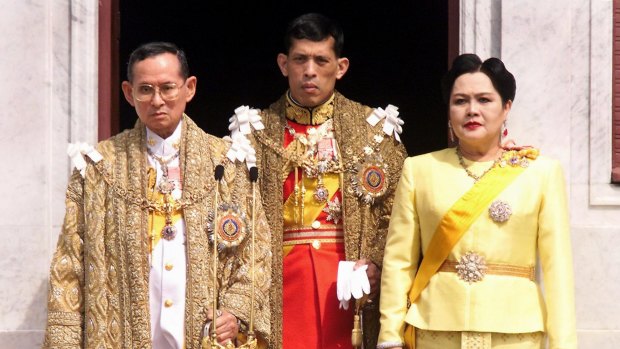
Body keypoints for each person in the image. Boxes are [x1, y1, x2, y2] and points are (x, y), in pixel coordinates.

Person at [42, 42, 271, 348]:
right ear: (128, 92)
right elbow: (69, 266)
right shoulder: (99, 166)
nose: (157, 100)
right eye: (146, 89)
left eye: (168, 88)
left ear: (189, 88)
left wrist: (235, 312)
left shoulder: (228, 162)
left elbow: (257, 249)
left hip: (203, 337)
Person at [228, 13, 407, 349]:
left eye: (321, 60)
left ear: (340, 67)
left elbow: (400, 214)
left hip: (349, 289)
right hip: (278, 288)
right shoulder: (252, 133)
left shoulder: (376, 131)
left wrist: (377, 264)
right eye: (300, 59)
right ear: (284, 64)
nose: (310, 70)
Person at [376, 53, 577, 349]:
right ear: (448, 110)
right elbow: (398, 262)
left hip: (515, 333)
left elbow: (558, 269)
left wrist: (564, 344)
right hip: (436, 329)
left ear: (506, 107)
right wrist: (390, 335)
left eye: (484, 100)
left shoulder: (541, 173)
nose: (472, 110)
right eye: (460, 101)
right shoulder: (419, 170)